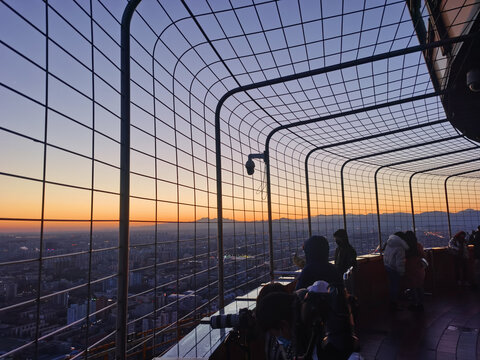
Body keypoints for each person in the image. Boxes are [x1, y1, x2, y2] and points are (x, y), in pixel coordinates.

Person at [256, 281, 356, 360]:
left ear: (284, 325)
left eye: (277, 335)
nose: (279, 339)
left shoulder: (317, 336)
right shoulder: (309, 327)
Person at [383, 232, 409, 310]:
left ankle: (392, 302)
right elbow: (399, 262)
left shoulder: (389, 243)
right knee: (396, 286)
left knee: (392, 286)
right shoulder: (400, 247)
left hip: (388, 266)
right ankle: (395, 303)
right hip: (395, 269)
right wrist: (402, 272)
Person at [403, 231, 426, 311]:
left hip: (409, 268)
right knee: (419, 286)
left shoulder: (405, 247)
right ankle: (420, 303)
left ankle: (414, 303)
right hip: (419, 268)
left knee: (412, 287)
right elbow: (423, 255)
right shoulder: (418, 246)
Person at [333, 229, 357, 295]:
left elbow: (351, 267)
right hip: (340, 278)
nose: (336, 241)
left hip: (347, 279)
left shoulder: (350, 251)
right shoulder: (338, 250)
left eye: (337, 239)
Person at [470, 226, 480, 290]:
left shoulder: (476, 235)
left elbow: (471, 242)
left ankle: (477, 284)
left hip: (477, 256)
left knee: (477, 271)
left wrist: (472, 234)